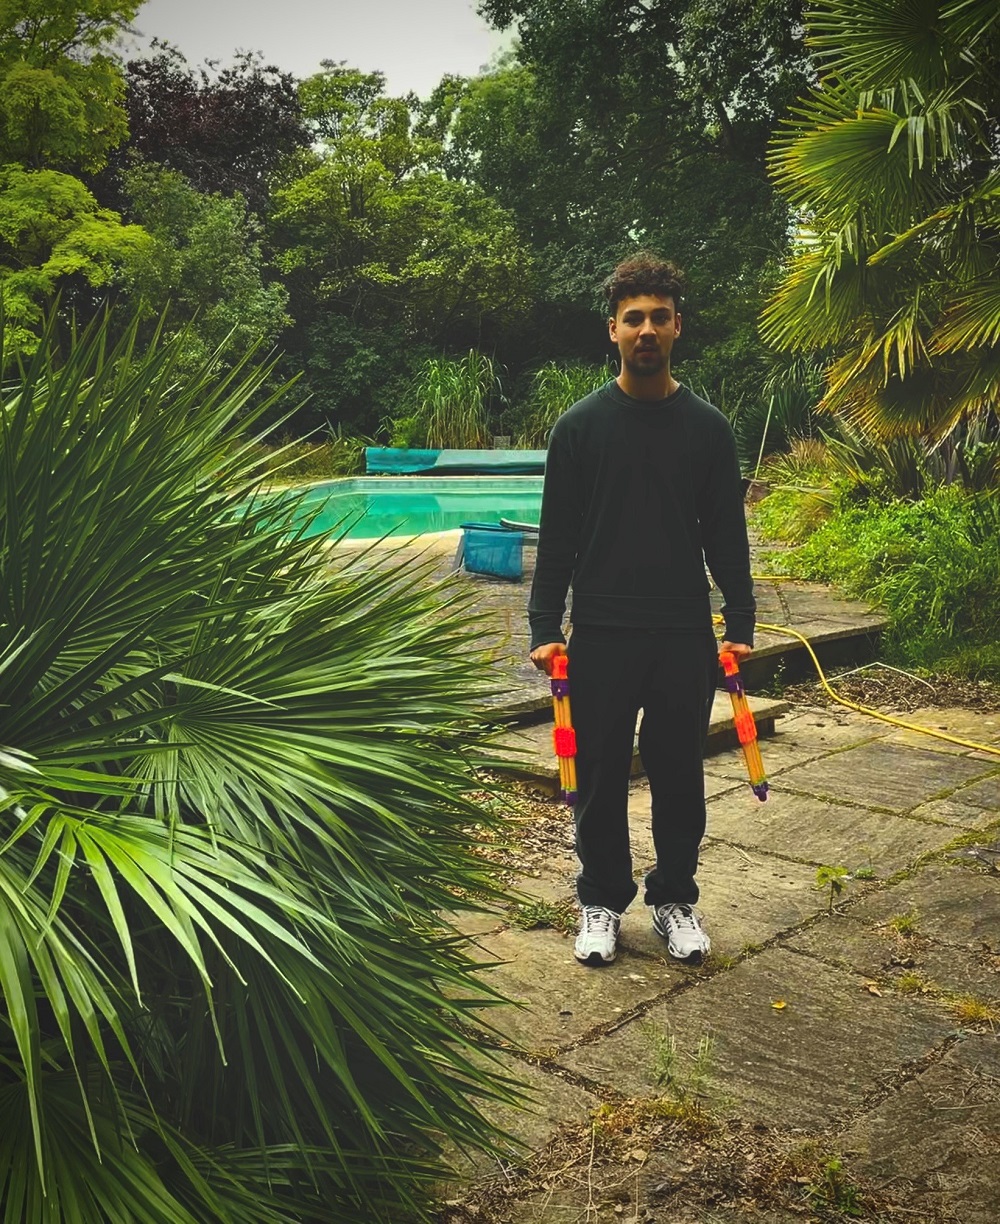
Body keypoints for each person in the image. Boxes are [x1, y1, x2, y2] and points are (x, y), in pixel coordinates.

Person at [528, 252, 755, 967]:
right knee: (597, 775)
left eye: (660, 317)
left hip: (682, 632)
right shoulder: (580, 429)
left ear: (677, 327)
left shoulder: (707, 429)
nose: (647, 330)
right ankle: (600, 901)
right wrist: (542, 628)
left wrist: (741, 622)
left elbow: (725, 533)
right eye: (634, 319)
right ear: (613, 331)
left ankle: (674, 899)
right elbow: (557, 536)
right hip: (601, 631)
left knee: (680, 774)